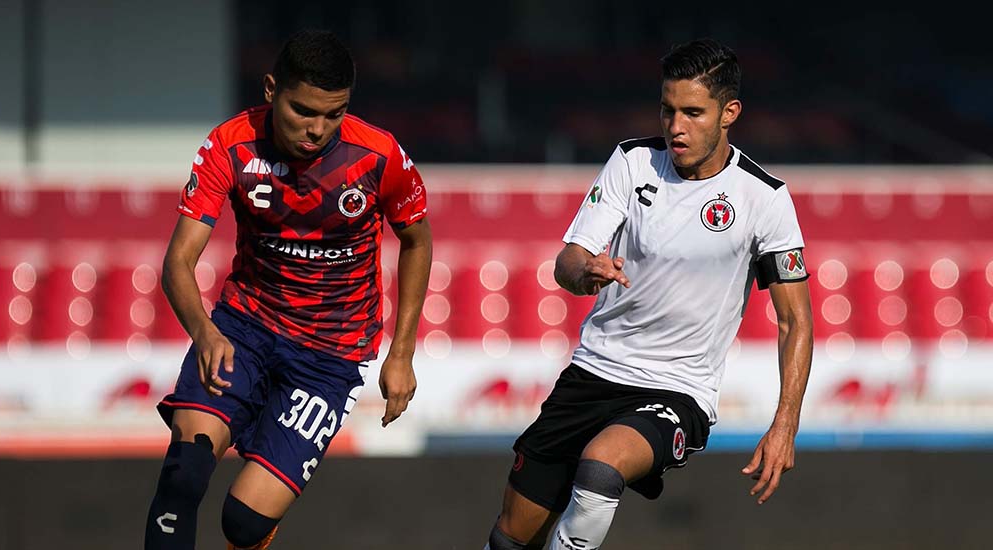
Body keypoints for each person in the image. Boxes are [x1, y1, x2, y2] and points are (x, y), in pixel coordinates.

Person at [484, 38, 814, 550]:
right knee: (513, 537)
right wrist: (585, 272)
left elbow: (795, 321)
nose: (676, 126)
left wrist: (784, 425)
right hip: (592, 373)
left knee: (601, 466)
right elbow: (567, 262)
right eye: (667, 110)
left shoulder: (764, 198)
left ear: (729, 113)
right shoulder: (632, 161)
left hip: (677, 389)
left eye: (693, 113)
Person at [144, 29, 432, 550]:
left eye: (334, 114)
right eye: (303, 111)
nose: (317, 129)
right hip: (244, 328)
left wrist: (402, 352)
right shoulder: (230, 144)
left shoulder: (379, 156)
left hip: (331, 353)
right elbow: (178, 262)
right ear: (271, 89)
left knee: (244, 523)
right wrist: (206, 333)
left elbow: (417, 241)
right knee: (183, 476)